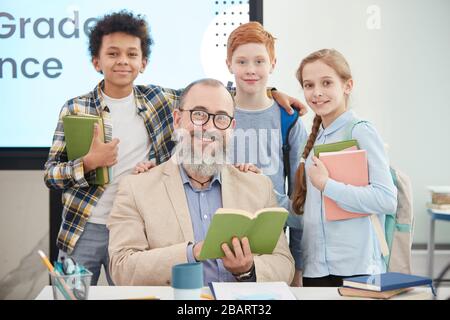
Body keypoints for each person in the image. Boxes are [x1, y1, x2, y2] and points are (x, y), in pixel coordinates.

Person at [44, 10, 304, 286]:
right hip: (87, 223)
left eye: (132, 54)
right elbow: (51, 174)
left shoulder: (157, 98)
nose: (123, 61)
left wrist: (271, 93)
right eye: (112, 54)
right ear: (96, 61)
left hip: (144, 220)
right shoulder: (76, 108)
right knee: (71, 292)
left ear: (143, 62)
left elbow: (212, 94)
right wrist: (88, 163)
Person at [107, 78, 295, 286]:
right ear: (177, 119)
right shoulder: (136, 188)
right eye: (198, 114)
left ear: (231, 127)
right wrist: (191, 252)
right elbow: (121, 268)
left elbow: (284, 264)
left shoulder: (259, 186)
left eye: (221, 118)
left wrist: (248, 270)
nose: (209, 127)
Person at [291, 49, 397, 287]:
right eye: (309, 85)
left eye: (326, 83)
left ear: (347, 85)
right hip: (315, 269)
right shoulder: (317, 138)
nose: (316, 92)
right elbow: (309, 211)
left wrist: (327, 185)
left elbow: (386, 199)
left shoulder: (361, 131)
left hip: (356, 269)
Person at [226, 22, 308, 286]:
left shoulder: (289, 120)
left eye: (259, 61)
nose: (251, 69)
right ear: (229, 64)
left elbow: (301, 199)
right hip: (219, 240)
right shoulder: (216, 112)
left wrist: (298, 265)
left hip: (273, 245)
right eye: (242, 61)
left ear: (273, 64)